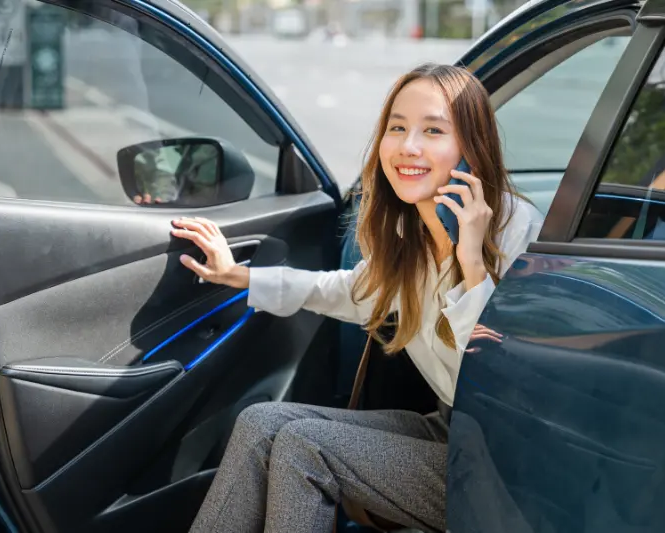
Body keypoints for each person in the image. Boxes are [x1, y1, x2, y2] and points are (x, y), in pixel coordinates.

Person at [171, 63, 544, 533]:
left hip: (507, 469)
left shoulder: (514, 230)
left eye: (432, 130)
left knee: (305, 447)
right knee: (260, 424)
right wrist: (239, 275)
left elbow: (497, 376)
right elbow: (348, 291)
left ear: (472, 147)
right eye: (397, 128)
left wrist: (468, 263)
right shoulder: (413, 231)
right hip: (452, 431)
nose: (408, 147)